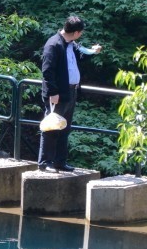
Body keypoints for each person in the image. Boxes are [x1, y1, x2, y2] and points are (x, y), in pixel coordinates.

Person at [38, 15, 102, 172]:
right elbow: (47, 71)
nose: (81, 35)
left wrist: (93, 52)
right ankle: (45, 163)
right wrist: (53, 92)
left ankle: (60, 162)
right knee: (51, 127)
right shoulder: (53, 44)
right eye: (80, 33)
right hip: (57, 93)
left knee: (64, 128)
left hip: (70, 91)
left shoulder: (71, 44)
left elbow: (78, 59)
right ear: (76, 32)